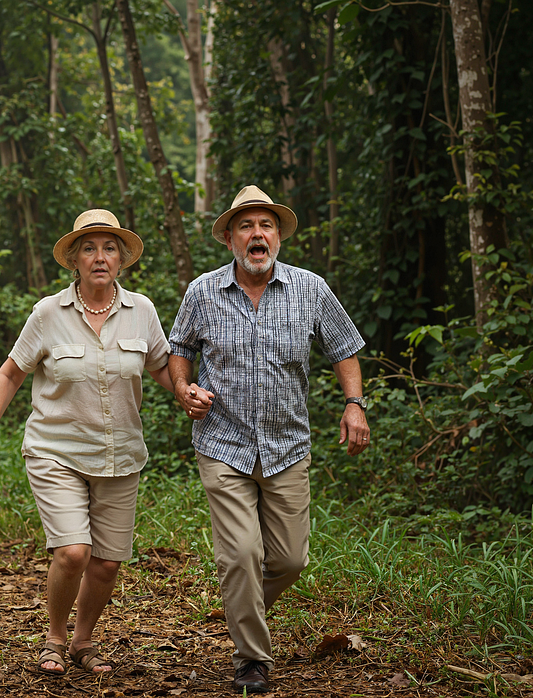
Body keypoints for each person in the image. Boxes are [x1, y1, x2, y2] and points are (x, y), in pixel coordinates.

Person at [167, 186, 371, 693]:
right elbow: (179, 349)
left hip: (287, 447)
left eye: (267, 226)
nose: (258, 235)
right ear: (231, 238)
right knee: (239, 556)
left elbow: (344, 348)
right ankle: (251, 659)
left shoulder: (311, 289)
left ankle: (242, 606)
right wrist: (182, 388)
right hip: (222, 442)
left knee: (289, 559)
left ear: (277, 236)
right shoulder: (202, 292)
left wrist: (354, 403)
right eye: (246, 226)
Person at [0, 209, 174, 676]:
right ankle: (55, 638)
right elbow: (11, 372)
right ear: (74, 262)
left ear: (121, 259)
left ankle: (83, 642)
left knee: (105, 565)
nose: (99, 257)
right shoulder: (48, 313)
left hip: (121, 454)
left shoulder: (142, 311)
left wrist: (186, 392)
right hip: (55, 450)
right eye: (89, 248)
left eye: (108, 248)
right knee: (73, 552)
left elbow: (162, 366)